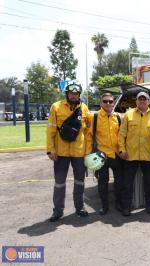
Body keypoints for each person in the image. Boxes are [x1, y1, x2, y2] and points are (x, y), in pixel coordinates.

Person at [46, 80, 91, 222]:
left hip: (79, 153)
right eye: (71, 93)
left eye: (76, 93)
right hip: (61, 153)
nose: (74, 96)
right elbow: (50, 130)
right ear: (67, 93)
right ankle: (58, 211)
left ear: (79, 95)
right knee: (59, 182)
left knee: (80, 182)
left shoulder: (84, 108)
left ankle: (80, 207)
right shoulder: (56, 107)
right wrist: (50, 150)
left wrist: (88, 151)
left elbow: (88, 132)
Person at [118, 91, 150, 216]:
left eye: (145, 99)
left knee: (149, 183)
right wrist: (122, 150)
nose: (142, 101)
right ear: (136, 101)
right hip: (130, 155)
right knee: (127, 183)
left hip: (148, 156)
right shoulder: (128, 115)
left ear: (149, 101)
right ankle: (126, 207)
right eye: (140, 99)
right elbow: (121, 134)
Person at [86, 93, 123, 215]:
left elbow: (122, 136)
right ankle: (104, 205)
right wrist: (88, 154)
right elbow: (89, 136)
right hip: (101, 156)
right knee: (102, 183)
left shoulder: (118, 117)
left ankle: (118, 204)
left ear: (113, 103)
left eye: (110, 101)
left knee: (119, 182)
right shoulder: (94, 117)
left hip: (116, 155)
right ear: (101, 102)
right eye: (105, 101)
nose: (108, 104)